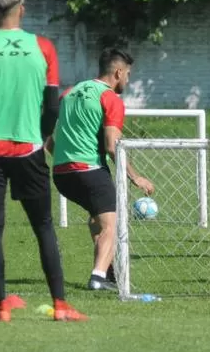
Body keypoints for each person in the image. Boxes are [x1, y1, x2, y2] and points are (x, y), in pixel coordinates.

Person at [0, 0, 86, 322]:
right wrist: (41, 138)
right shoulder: (43, 48)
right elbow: (53, 106)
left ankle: (0, 307)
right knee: (43, 226)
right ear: (22, 10)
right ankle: (60, 306)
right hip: (29, 150)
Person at [48, 48, 156, 291]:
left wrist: (61, 156)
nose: (128, 80)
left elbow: (43, 131)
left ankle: (107, 275)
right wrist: (135, 176)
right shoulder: (110, 99)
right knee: (114, 224)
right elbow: (111, 145)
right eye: (128, 74)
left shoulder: (70, 92)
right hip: (90, 171)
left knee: (98, 219)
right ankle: (98, 277)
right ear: (118, 72)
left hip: (62, 174)